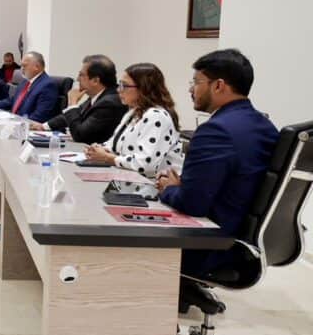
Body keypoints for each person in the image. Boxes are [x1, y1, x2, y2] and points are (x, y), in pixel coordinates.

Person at [156, 49, 279, 276]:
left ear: (218, 85)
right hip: (239, 235)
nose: (191, 89)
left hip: (210, 245)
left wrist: (170, 188)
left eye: (196, 82)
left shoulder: (216, 130)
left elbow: (192, 204)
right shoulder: (263, 125)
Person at [83, 63, 184, 178]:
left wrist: (107, 158)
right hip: (130, 180)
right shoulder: (134, 112)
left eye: (124, 85)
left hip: (154, 186)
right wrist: (98, 150)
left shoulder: (156, 116)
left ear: (143, 88)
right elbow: (113, 145)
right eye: (119, 85)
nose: (118, 90)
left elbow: (146, 165)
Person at [31, 54, 126, 144]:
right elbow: (76, 114)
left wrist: (72, 103)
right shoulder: (99, 96)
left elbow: (80, 135)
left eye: (81, 75)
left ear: (95, 81)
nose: (77, 79)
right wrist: (43, 127)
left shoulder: (109, 103)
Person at [0, 51, 59, 122]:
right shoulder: (25, 81)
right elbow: (12, 101)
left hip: (27, 128)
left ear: (36, 67)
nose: (21, 69)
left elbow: (39, 116)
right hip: (14, 122)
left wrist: (16, 124)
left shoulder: (48, 85)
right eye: (21, 65)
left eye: (24, 66)